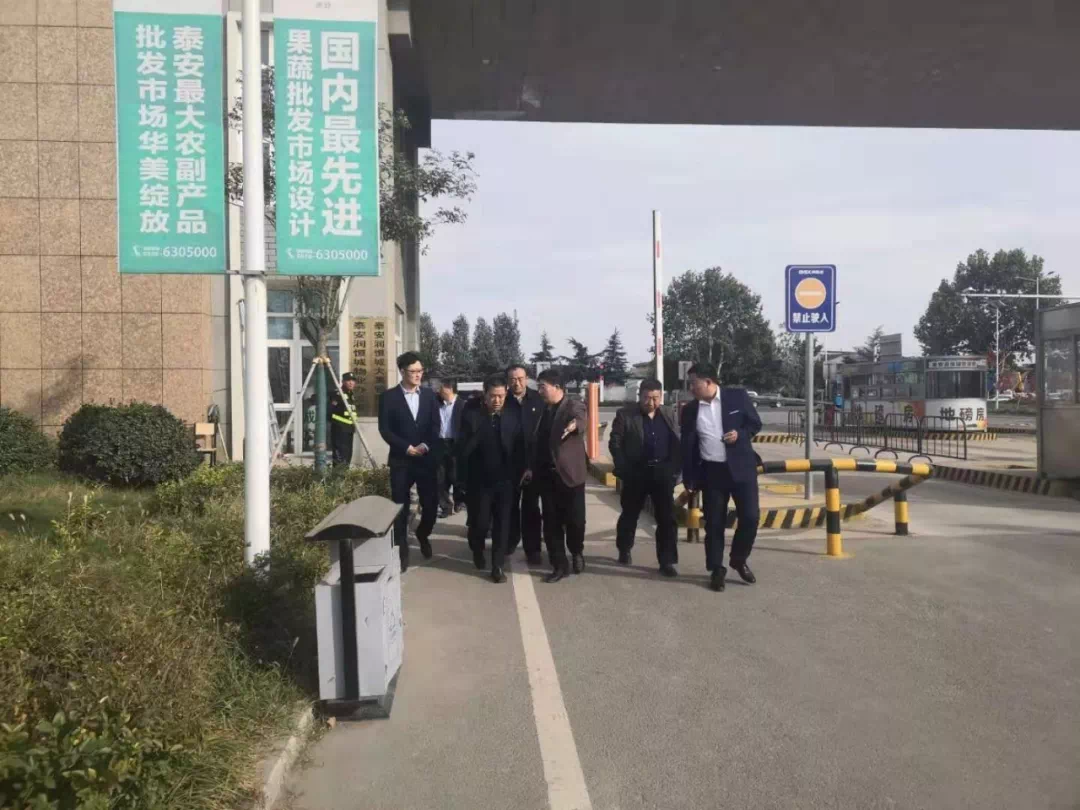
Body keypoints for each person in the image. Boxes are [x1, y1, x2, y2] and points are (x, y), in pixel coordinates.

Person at [680, 363, 762, 592]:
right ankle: (716, 569)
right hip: (712, 473)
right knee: (714, 524)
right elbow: (687, 446)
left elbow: (755, 424)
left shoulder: (737, 397)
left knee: (750, 517)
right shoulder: (690, 410)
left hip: (742, 469)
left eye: (693, 383)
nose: (690, 388)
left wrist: (740, 434)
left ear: (708, 382)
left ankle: (738, 558)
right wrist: (689, 477)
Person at [456, 375, 529, 583]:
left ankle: (497, 565)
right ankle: (477, 549)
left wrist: (524, 469)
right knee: (479, 523)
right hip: (479, 482)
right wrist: (460, 481)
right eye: (493, 396)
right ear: (485, 395)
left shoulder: (513, 416)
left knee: (502, 524)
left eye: (501, 396)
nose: (497, 400)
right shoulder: (472, 415)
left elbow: (521, 446)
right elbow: (462, 450)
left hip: (506, 481)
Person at [609, 378, 681, 576]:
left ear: (661, 396)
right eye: (647, 398)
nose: (651, 402)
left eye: (656, 398)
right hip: (636, 473)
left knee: (667, 518)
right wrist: (623, 467)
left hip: (662, 473)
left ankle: (667, 561)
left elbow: (677, 441)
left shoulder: (668, 413)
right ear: (640, 396)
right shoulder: (625, 415)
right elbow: (615, 442)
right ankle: (624, 548)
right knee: (630, 514)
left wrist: (674, 469)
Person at [378, 352, 442, 571]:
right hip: (401, 461)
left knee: (431, 507)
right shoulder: (388, 397)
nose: (417, 375)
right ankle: (402, 552)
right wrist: (406, 448)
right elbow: (385, 429)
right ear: (402, 371)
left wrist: (425, 446)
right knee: (400, 508)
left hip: (425, 460)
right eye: (413, 371)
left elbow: (435, 425)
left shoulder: (429, 396)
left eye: (420, 371)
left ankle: (423, 534)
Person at [534, 369, 588, 583]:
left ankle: (576, 551)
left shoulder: (572, 405)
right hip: (547, 476)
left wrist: (574, 425)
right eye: (538, 387)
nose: (539, 391)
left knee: (576, 521)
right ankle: (559, 565)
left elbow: (580, 418)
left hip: (570, 475)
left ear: (557, 387)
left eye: (543, 387)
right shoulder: (542, 410)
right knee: (551, 523)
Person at [504, 364, 545, 565]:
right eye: (512, 379)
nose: (517, 383)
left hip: (533, 465)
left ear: (526, 378)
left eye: (520, 379)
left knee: (531, 509)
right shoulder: (503, 400)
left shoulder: (538, 399)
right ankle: (510, 541)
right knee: (509, 506)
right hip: (509, 464)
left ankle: (533, 549)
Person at [435, 378, 466, 518]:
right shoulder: (437, 403)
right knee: (440, 478)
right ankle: (446, 507)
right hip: (440, 444)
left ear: (449, 388)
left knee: (456, 476)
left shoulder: (463, 405)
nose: (438, 391)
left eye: (441, 388)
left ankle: (459, 501)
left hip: (456, 445)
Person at [328, 372, 357, 467]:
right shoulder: (338, 394)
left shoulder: (351, 395)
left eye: (353, 380)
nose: (351, 383)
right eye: (348, 380)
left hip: (349, 430)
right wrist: (340, 424)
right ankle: (338, 476)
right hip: (340, 431)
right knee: (340, 458)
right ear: (343, 381)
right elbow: (330, 414)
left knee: (347, 457)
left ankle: (345, 475)